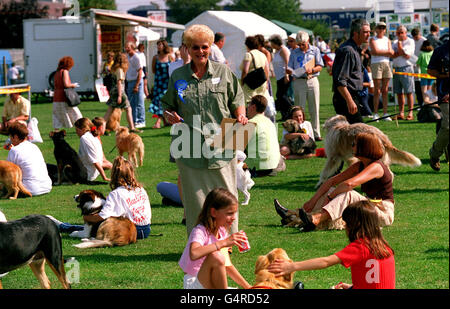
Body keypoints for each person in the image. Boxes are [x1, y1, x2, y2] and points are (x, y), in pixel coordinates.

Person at [162, 24, 247, 237]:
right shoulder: (178, 76)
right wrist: (169, 115)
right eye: (196, 47)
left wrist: (241, 114)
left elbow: (237, 98)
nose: (201, 52)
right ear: (187, 49)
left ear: (210, 48)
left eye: (205, 47)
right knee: (195, 200)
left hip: (223, 138)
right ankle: (199, 244)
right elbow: (167, 105)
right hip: (188, 142)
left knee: (227, 194)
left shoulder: (223, 72)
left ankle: (228, 241)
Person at [274, 132, 395, 232]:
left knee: (348, 193)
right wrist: (313, 201)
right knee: (332, 189)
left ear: (364, 147)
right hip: (368, 207)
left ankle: (316, 219)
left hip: (383, 212)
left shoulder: (377, 167)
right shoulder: (360, 165)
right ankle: (294, 215)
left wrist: (330, 197)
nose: (351, 147)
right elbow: (331, 181)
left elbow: (349, 184)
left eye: (354, 144)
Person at [268, 200, 395, 289]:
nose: (345, 227)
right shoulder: (385, 247)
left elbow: (326, 261)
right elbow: (377, 282)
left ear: (355, 225)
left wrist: (292, 267)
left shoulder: (361, 247)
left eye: (347, 223)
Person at [179, 188, 251, 289]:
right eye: (229, 213)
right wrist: (223, 243)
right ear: (213, 212)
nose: (234, 217)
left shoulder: (222, 232)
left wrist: (248, 286)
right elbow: (194, 253)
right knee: (216, 256)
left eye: (234, 213)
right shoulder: (200, 231)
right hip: (194, 283)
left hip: (210, 283)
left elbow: (227, 265)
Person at [83, 156, 152, 239]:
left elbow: (103, 216)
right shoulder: (140, 189)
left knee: (103, 222)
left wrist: (87, 217)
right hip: (146, 229)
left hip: (130, 230)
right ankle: (67, 226)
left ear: (114, 175)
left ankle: (66, 227)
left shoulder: (116, 193)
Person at [332, 19, 371, 124]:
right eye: (365, 32)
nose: (368, 35)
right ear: (355, 33)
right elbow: (340, 80)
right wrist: (349, 101)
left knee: (353, 134)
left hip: (352, 96)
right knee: (358, 132)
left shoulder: (355, 49)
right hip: (345, 97)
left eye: (369, 32)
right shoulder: (348, 51)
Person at [287, 31, 324, 140]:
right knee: (299, 108)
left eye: (303, 44)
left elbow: (320, 66)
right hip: (298, 81)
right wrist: (290, 71)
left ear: (308, 41)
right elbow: (290, 67)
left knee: (314, 107)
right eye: (299, 44)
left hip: (312, 79)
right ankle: (299, 133)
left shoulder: (315, 50)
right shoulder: (294, 52)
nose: (301, 47)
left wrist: (312, 70)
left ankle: (316, 134)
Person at [6, 122, 52, 196]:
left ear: (16, 137)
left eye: (10, 137)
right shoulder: (34, 146)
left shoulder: (14, 150)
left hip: (29, 189)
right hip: (46, 186)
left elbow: (7, 173)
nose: (10, 139)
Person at [103, 52, 140, 133]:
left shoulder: (114, 69)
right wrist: (120, 95)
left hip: (113, 91)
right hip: (119, 91)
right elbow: (119, 83)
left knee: (109, 110)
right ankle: (132, 128)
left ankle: (101, 128)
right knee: (128, 109)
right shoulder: (119, 70)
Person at [246, 95, 282, 177]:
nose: (247, 107)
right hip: (273, 165)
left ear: (253, 107)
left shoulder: (250, 123)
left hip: (258, 167)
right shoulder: (270, 123)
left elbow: (234, 147)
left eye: (248, 104)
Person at [427, 40, 449, 172]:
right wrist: (444, 75)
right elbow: (430, 70)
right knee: (447, 126)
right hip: (445, 94)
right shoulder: (440, 50)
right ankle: (435, 154)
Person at [369, 22, 394, 121]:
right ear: (376, 29)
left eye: (383, 28)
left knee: (385, 90)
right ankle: (375, 113)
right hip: (376, 64)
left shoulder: (387, 39)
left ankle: (385, 113)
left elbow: (391, 52)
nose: (381, 30)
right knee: (377, 90)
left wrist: (384, 52)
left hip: (386, 64)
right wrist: (386, 52)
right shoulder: (372, 39)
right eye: (379, 28)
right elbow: (375, 51)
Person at [391, 25, 416, 120]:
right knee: (399, 92)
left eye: (401, 32)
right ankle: (401, 113)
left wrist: (400, 46)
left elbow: (407, 55)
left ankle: (410, 112)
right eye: (398, 32)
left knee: (409, 92)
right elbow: (392, 54)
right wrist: (400, 52)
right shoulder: (394, 42)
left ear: (405, 33)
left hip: (406, 68)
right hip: (396, 69)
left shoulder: (410, 41)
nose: (399, 34)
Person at [74, 117, 110, 182]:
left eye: (77, 130)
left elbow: (95, 161)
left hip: (86, 174)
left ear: (83, 129)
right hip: (92, 172)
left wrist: (104, 177)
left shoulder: (84, 138)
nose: (76, 132)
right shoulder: (94, 136)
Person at [52, 56, 82, 129]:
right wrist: (73, 85)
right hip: (64, 97)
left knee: (57, 117)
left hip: (56, 97)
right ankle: (82, 130)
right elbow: (66, 84)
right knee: (77, 115)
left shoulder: (57, 72)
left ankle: (56, 133)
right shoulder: (65, 71)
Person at [269, 34, 292, 121]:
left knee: (282, 96)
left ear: (276, 43)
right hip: (279, 77)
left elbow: (287, 62)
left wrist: (286, 75)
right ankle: (285, 115)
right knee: (280, 96)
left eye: (272, 43)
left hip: (284, 75)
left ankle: (292, 110)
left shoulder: (283, 50)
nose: (271, 45)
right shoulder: (277, 51)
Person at [240, 36, 270, 104]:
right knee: (261, 103)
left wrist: (242, 81)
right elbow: (267, 70)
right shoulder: (262, 55)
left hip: (251, 83)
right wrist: (267, 82)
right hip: (262, 82)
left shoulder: (248, 54)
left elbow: (245, 70)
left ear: (247, 45)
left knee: (251, 103)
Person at [149, 39, 172, 129]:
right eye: (158, 45)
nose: (159, 46)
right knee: (159, 101)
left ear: (164, 46)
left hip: (167, 83)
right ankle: (160, 122)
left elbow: (172, 69)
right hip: (158, 83)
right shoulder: (155, 57)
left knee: (164, 101)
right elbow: (153, 70)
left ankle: (161, 121)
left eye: (160, 45)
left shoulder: (170, 57)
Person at [125, 42, 146, 129]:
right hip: (130, 81)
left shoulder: (136, 57)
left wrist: (137, 85)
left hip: (137, 80)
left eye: (128, 47)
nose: (126, 49)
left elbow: (140, 71)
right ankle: (133, 121)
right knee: (131, 103)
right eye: (126, 47)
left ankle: (141, 121)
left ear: (132, 48)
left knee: (139, 102)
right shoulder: (127, 57)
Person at [412, 28, 427, 107]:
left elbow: (426, 52)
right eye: (414, 37)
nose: (416, 38)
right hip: (414, 65)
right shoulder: (412, 41)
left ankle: (426, 102)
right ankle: (420, 103)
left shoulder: (424, 41)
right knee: (417, 85)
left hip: (423, 66)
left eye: (417, 37)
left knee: (424, 86)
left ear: (420, 35)